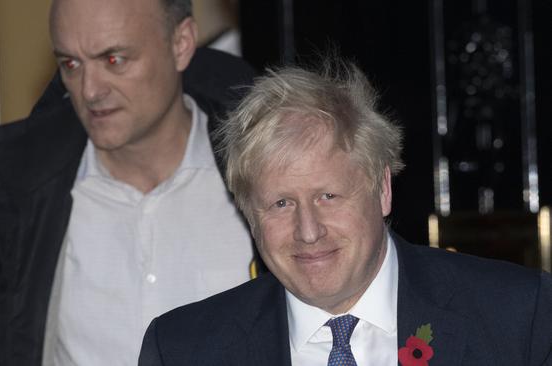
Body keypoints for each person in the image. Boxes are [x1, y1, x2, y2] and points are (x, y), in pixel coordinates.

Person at [138, 60, 552, 365]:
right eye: (281, 203)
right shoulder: (182, 350)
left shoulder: (520, 317)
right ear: (249, 214)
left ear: (383, 189)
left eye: (329, 196)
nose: (308, 231)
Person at [0, 0, 259, 365]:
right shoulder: (20, 198)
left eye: (114, 60)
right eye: (71, 63)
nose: (89, 90)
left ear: (180, 44)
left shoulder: (266, 178)